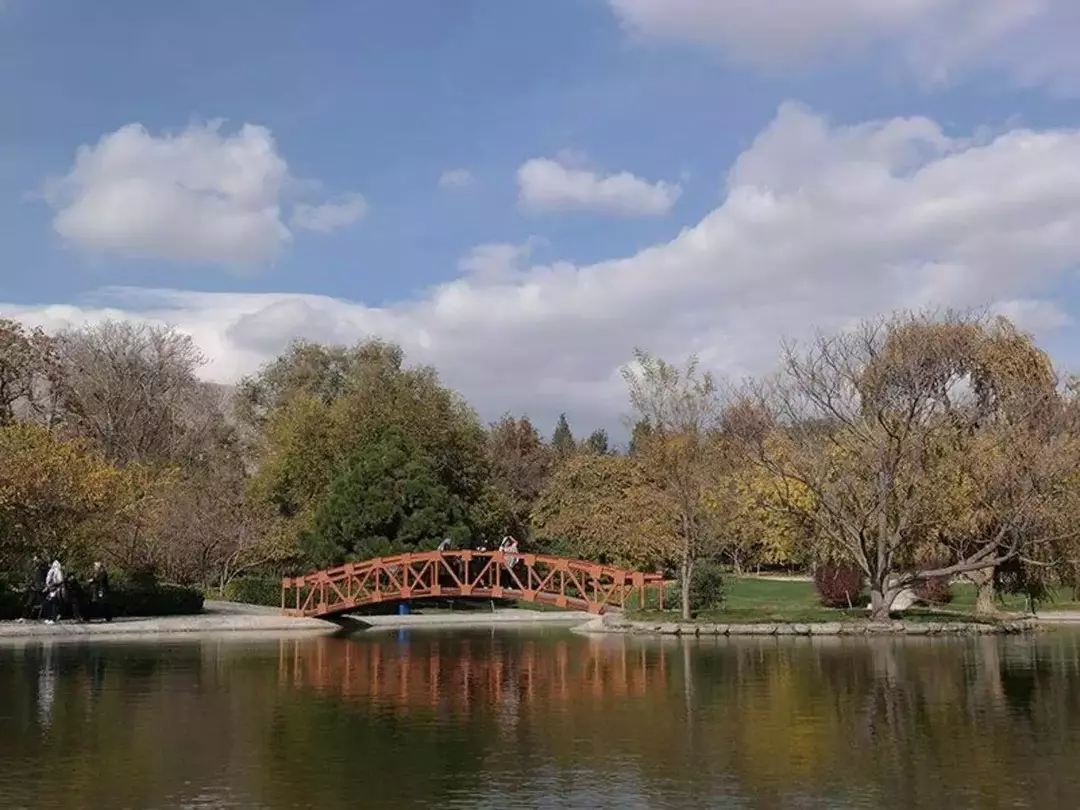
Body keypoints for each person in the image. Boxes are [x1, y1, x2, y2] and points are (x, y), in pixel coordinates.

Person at [21, 554, 48, 621]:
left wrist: (45, 586)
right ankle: (24, 617)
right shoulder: (35, 569)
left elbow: (45, 579)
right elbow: (34, 579)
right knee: (29, 603)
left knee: (43, 603)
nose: (35, 562)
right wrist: (31, 585)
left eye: (36, 560)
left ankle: (46, 617)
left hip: (40, 589)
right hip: (34, 588)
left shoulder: (43, 569)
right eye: (34, 560)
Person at [43, 560, 64, 624]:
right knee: (48, 603)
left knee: (54, 604)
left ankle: (53, 618)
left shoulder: (57, 570)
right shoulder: (51, 570)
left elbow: (60, 580)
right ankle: (49, 617)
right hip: (50, 589)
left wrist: (53, 584)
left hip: (55, 589)